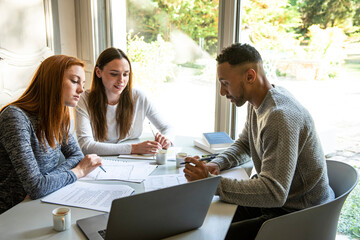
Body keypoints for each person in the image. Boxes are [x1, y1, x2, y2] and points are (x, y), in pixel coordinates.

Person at [183, 43, 335, 239]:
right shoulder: (258, 101)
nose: (222, 92)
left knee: (211, 234)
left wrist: (213, 184)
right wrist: (216, 164)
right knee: (205, 216)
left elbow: (274, 192)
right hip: (282, 204)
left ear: (250, 77)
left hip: (300, 215)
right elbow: (245, 144)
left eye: (225, 83)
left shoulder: (280, 116)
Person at [0, 55, 103, 214]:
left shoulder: (59, 116)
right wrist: (78, 172)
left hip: (43, 201)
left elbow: (76, 156)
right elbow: (36, 187)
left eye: (82, 83)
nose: (81, 90)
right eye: (75, 81)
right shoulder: (15, 117)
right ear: (52, 82)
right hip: (11, 212)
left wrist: (46, 181)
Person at [75, 47, 174, 156]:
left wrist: (167, 139)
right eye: (114, 74)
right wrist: (133, 148)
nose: (121, 80)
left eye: (126, 74)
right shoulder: (84, 99)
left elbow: (167, 127)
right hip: (103, 162)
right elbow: (86, 146)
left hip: (137, 161)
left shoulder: (138, 97)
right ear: (98, 72)